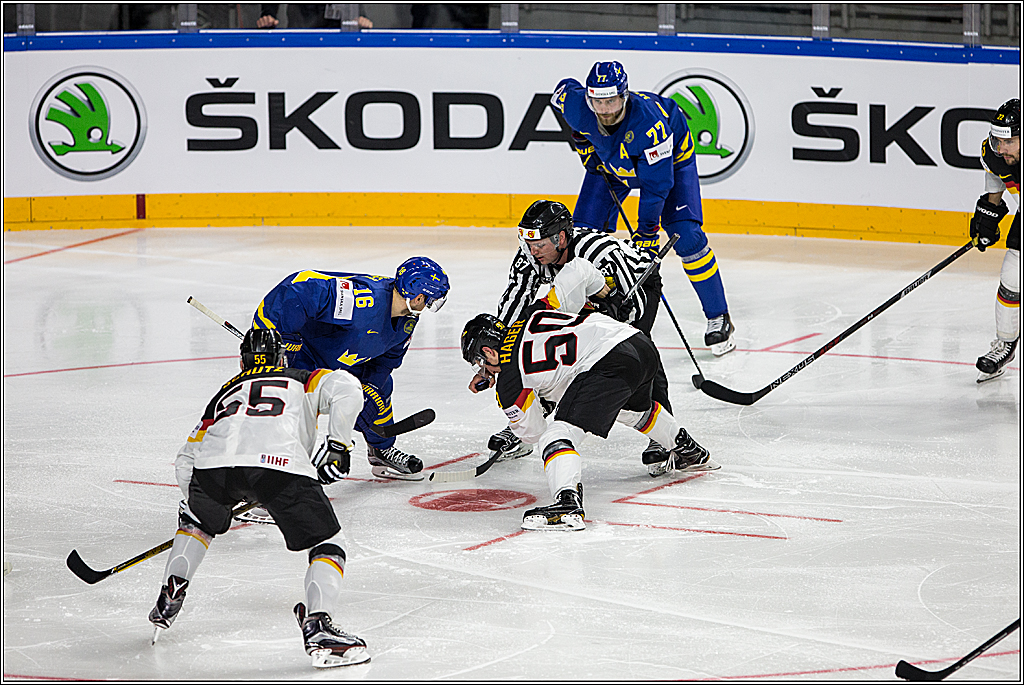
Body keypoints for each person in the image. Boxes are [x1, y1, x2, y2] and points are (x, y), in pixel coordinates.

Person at [149, 328, 370, 668]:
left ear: (242, 361)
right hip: (279, 466)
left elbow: (185, 461)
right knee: (328, 544)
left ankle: (171, 591)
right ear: (282, 358)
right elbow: (349, 391)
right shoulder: (303, 377)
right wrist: (338, 446)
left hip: (213, 469)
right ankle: (319, 626)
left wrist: (209, 508)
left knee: (195, 521)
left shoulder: (227, 392)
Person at [462, 259, 719, 531]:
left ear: (489, 352)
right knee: (631, 412)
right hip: (638, 343)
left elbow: (532, 434)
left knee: (555, 436)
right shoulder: (534, 311)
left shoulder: (510, 381)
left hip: (607, 362)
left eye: (480, 362)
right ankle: (688, 449)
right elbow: (579, 269)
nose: (483, 370)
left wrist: (520, 399)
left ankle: (566, 505)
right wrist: (606, 293)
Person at [551, 60, 737, 356]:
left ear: (624, 96)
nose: (606, 110)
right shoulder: (578, 106)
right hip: (612, 163)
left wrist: (647, 234)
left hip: (668, 163)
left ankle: (718, 315)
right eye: (598, 102)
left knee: (686, 236)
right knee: (582, 236)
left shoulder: (651, 127)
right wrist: (583, 144)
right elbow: (562, 93)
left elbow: (656, 187)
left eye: (612, 101)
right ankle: (586, 316)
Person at [482, 199, 676, 474]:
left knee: (635, 348)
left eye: (539, 244)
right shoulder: (529, 258)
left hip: (635, 285)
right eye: (528, 243)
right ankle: (530, 418)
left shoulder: (599, 252)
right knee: (548, 348)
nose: (532, 250)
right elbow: (516, 302)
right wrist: (497, 353)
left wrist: (614, 316)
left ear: (560, 238)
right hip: (584, 295)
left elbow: (632, 320)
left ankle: (663, 438)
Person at [251, 257, 449, 483]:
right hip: (302, 354)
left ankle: (380, 452)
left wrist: (368, 391)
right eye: (430, 300)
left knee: (381, 388)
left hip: (337, 359)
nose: (429, 306)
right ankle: (270, 479)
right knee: (294, 405)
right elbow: (299, 287)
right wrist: (279, 338)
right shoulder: (361, 301)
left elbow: (385, 362)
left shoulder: (406, 321)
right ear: (418, 296)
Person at [969, 98, 1020, 383]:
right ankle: (1005, 344)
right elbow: (996, 175)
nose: (1001, 149)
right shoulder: (995, 153)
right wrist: (989, 213)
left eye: (1009, 142)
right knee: (1012, 277)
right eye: (998, 140)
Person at [257, 4, 372, 29]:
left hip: (338, 41)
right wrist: (268, 16)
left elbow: (356, 15)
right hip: (300, 39)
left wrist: (360, 19)